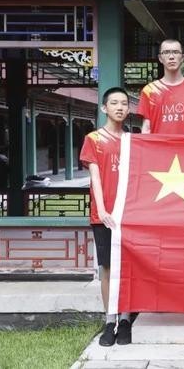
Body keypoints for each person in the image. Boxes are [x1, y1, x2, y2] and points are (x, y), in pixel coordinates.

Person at [79, 87, 132, 347]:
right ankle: (110, 320)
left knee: (128, 268)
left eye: (124, 103)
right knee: (108, 268)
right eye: (114, 103)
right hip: (104, 215)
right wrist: (101, 209)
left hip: (129, 215)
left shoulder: (133, 141)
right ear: (104, 108)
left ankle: (126, 319)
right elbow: (96, 177)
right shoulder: (94, 139)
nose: (119, 107)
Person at [137, 38, 184, 134]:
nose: (171, 57)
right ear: (160, 58)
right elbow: (146, 128)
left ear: (182, 57)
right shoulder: (149, 90)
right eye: (166, 52)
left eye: (176, 52)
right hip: (159, 144)